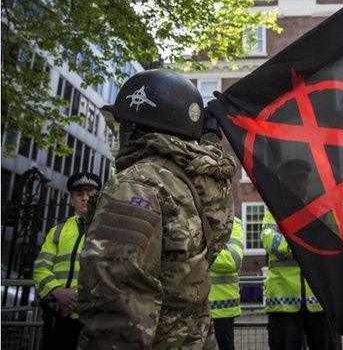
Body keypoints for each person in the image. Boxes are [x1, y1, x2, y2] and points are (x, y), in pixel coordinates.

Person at [77, 69, 237, 349]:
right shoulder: (197, 184)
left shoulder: (137, 184)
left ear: (137, 128)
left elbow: (116, 296)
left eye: (123, 125)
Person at [262, 159, 341, 350]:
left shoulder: (321, 209)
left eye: (301, 180)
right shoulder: (274, 209)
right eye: (293, 180)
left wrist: (294, 243)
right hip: (284, 300)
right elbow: (268, 240)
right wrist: (304, 244)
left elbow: (335, 241)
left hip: (320, 299)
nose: (298, 185)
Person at [33, 172, 101, 350]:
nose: (85, 198)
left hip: (92, 319)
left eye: (91, 193)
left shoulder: (107, 229)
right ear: (72, 199)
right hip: (57, 316)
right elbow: (40, 267)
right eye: (79, 194)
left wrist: (76, 297)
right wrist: (56, 290)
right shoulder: (57, 230)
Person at [209, 217, 244, 350]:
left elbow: (232, 260)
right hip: (191, 308)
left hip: (222, 309)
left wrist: (199, 251)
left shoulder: (232, 223)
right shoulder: (191, 218)